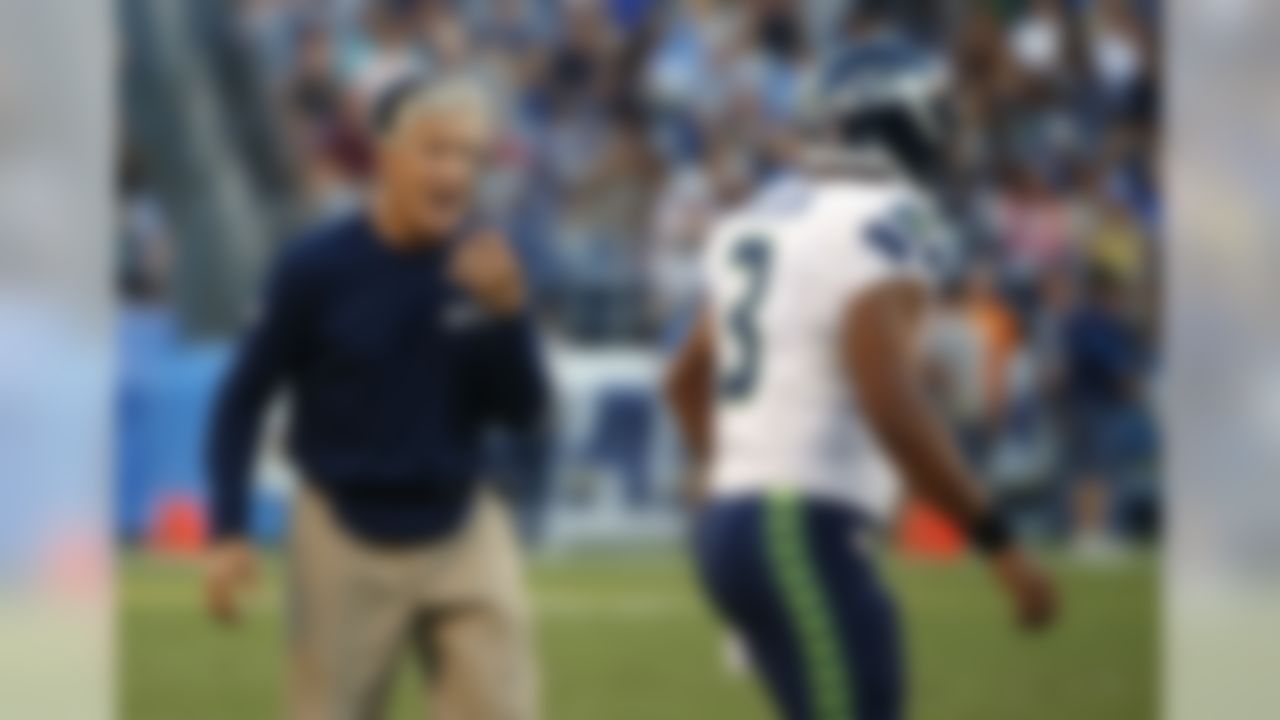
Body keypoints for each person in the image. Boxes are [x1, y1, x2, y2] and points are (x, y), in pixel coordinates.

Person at [663, 8, 1057, 719]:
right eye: (938, 111)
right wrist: (997, 541)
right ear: (901, 122)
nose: (950, 127)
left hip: (737, 528)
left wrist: (734, 486)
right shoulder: (886, 218)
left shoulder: (764, 214)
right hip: (798, 527)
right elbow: (892, 404)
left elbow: (683, 383)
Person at [204, 75, 548, 720]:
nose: (456, 171)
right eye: (436, 150)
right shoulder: (314, 268)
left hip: (463, 519)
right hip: (343, 530)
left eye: (471, 156)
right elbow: (243, 397)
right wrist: (228, 529)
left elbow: (524, 413)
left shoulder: (489, 264)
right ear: (386, 156)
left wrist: (509, 318)